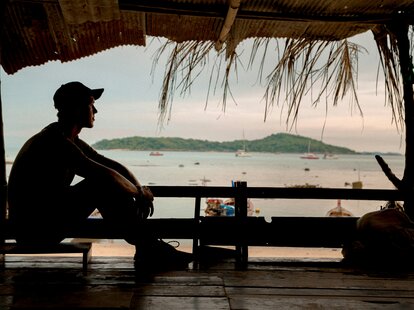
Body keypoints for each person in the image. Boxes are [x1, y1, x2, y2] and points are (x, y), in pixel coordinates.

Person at [7, 81, 193, 270]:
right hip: (34, 230)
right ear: (75, 108)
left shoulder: (67, 139)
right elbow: (104, 174)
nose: (95, 111)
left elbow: (110, 165)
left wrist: (139, 188)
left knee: (104, 182)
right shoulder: (54, 142)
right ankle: (149, 247)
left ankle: (148, 246)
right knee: (100, 184)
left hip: (43, 221)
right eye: (90, 104)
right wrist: (138, 193)